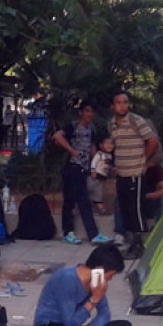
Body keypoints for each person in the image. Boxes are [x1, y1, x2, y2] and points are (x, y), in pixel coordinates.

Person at [31, 244, 134, 326]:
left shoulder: (96, 283)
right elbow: (70, 323)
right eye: (110, 276)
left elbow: (105, 315)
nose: (110, 280)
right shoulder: (66, 278)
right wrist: (94, 299)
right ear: (100, 270)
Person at [52, 102, 111, 245]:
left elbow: (91, 148)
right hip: (72, 167)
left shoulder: (92, 129)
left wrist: (96, 164)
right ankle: (72, 233)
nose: (89, 115)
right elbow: (57, 136)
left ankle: (89, 234)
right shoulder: (73, 126)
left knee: (82, 201)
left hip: (83, 169)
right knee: (73, 201)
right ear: (81, 112)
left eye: (92, 112)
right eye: (87, 111)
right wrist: (71, 150)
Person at [107, 92, 158, 247]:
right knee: (125, 209)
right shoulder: (111, 124)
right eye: (119, 103)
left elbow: (153, 141)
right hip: (122, 173)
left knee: (136, 209)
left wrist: (143, 160)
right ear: (113, 106)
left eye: (125, 102)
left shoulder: (136, 121)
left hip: (135, 173)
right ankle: (130, 241)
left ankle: (138, 244)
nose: (123, 106)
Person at [88, 137, 114, 215]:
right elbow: (94, 162)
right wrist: (93, 170)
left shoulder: (110, 156)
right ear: (101, 145)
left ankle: (98, 207)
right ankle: (97, 207)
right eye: (107, 144)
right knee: (90, 190)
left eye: (111, 144)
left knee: (98, 193)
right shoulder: (99, 154)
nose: (110, 146)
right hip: (95, 176)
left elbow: (108, 166)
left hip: (102, 178)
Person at [141, 161, 163, 227]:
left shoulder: (155, 168)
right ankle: (120, 232)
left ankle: (159, 227)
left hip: (150, 199)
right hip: (134, 199)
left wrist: (150, 195)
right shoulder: (132, 169)